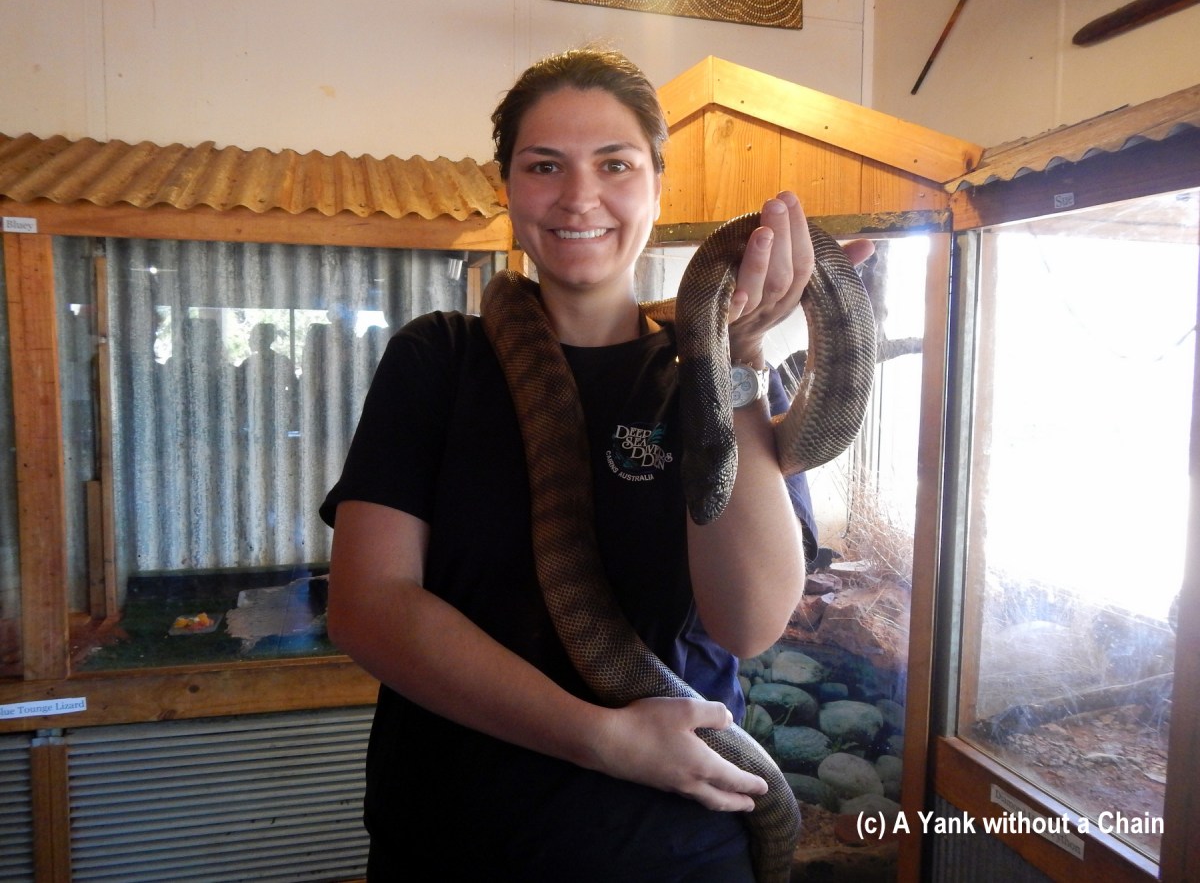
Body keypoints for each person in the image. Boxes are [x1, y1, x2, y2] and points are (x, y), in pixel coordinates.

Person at [321, 47, 872, 882]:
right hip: (450, 847)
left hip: (675, 853)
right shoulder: (441, 358)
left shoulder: (715, 376)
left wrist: (736, 356)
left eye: (615, 164)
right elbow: (368, 607)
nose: (580, 197)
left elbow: (749, 621)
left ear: (657, 186)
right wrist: (602, 740)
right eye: (545, 166)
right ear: (508, 188)